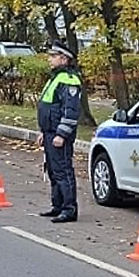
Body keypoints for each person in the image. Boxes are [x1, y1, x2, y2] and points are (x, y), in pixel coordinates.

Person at [36, 39, 83, 223]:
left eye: (53, 56)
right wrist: (43, 131)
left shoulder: (69, 80)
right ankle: (57, 205)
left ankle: (69, 209)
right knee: (53, 171)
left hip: (59, 135)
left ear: (64, 59)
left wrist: (62, 134)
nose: (50, 59)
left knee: (63, 171)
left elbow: (70, 111)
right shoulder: (55, 77)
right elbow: (47, 107)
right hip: (50, 132)